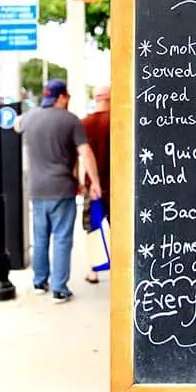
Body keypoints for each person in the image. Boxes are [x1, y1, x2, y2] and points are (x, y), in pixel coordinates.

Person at [14, 79, 103, 304]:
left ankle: (39, 282)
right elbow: (86, 153)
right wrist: (95, 182)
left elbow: (15, 124)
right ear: (61, 97)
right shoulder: (71, 121)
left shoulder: (30, 118)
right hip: (62, 190)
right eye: (68, 96)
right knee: (62, 239)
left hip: (37, 190)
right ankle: (59, 289)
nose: (69, 100)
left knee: (41, 237)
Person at [81, 86, 111, 284]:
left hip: (92, 183)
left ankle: (93, 270)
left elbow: (82, 154)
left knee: (93, 226)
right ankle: (120, 268)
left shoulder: (85, 123)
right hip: (116, 182)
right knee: (119, 226)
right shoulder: (116, 121)